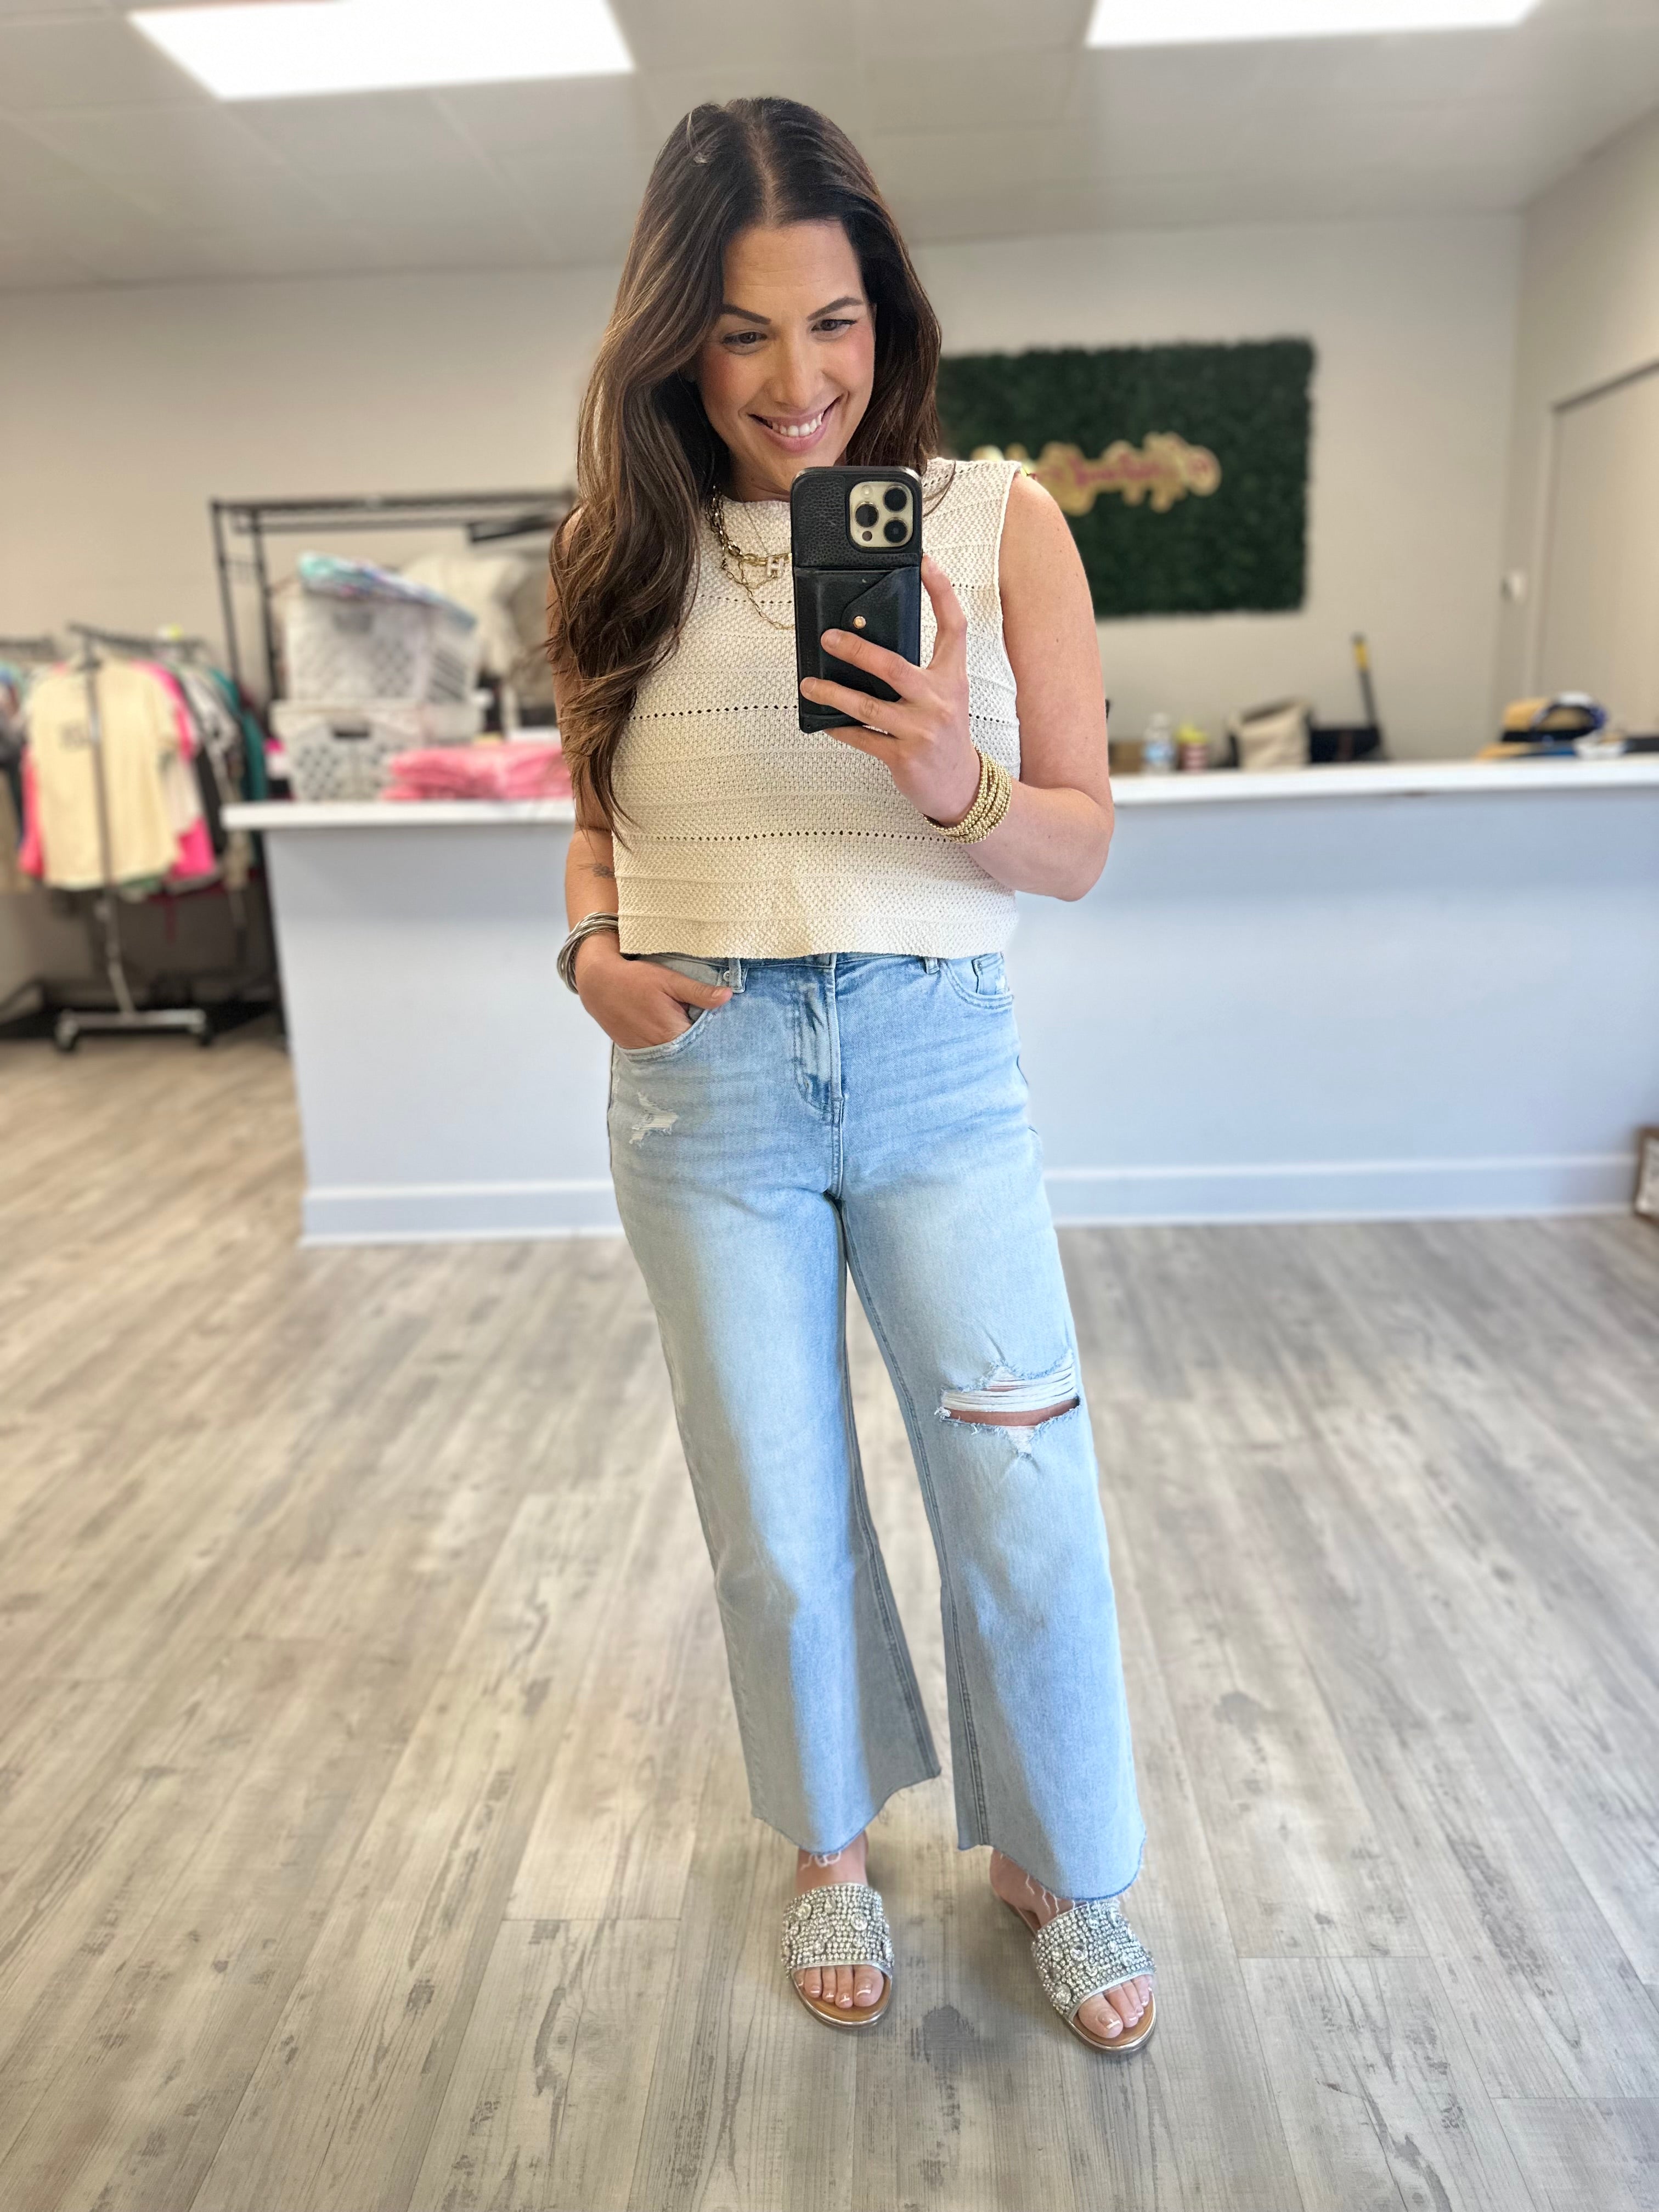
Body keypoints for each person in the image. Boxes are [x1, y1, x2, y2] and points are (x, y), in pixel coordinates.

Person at [548, 96, 1154, 2055]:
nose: (795, 380)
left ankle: (1061, 1860)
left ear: (887, 314)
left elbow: (1076, 844)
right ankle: (827, 1847)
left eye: (832, 321)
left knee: (1021, 1483)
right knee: (776, 1510)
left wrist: (949, 776)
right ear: (676, 339)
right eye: (741, 332)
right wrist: (588, 955)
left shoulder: (1001, 523)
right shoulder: (614, 553)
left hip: (933, 1061)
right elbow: (595, 832)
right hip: (705, 1087)